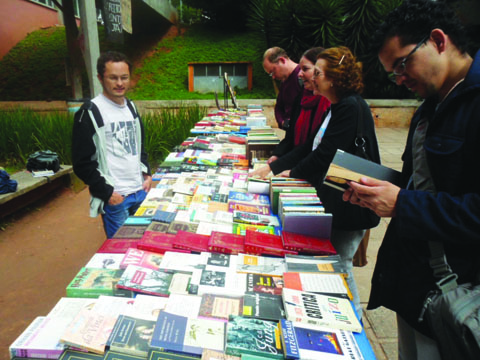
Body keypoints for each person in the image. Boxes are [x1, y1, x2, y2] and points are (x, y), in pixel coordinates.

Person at [342, 0, 480, 358]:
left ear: (437, 40)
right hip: (416, 288)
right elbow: (419, 183)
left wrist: (403, 203)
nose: (400, 79)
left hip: (460, 294)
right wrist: (374, 192)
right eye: (393, 72)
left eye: (402, 64)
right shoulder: (429, 106)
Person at [252, 46, 381, 318]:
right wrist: (275, 167)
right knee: (332, 263)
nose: (309, 78)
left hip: (350, 203)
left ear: (334, 77)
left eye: (317, 73)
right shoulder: (335, 108)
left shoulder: (349, 107)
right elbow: (309, 146)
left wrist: (293, 173)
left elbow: (325, 154)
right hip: (336, 200)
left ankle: (353, 318)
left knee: (340, 265)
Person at [72, 51, 152, 239]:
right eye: (113, 78)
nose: (119, 83)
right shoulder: (90, 113)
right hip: (117, 198)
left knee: (143, 245)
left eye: (124, 77)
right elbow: (82, 163)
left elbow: (139, 144)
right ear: (100, 78)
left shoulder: (131, 106)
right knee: (121, 251)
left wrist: (146, 173)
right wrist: (108, 193)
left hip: (139, 191)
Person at [266, 47, 331, 165]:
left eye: (305, 69)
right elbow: (292, 137)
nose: (300, 74)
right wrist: (277, 155)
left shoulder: (333, 105)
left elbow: (320, 148)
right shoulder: (301, 98)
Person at [263, 47, 303, 129]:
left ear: (282, 60)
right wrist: (282, 122)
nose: (273, 77)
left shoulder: (302, 78)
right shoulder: (284, 82)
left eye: (273, 71)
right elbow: (279, 107)